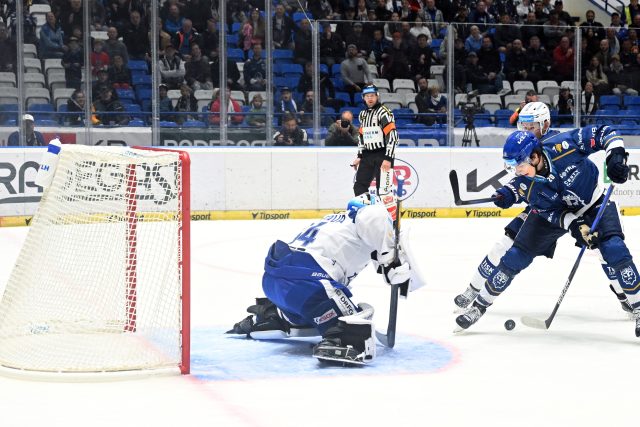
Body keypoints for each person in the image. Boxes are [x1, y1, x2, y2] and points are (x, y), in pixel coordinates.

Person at [454, 102, 635, 320]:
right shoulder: (523, 157)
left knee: (606, 249)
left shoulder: (561, 145)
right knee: (507, 245)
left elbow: (604, 133)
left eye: (531, 127)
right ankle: (474, 291)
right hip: (546, 206)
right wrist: (508, 193)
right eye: (524, 127)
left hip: (585, 202)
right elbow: (521, 184)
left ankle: (627, 298)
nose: (526, 131)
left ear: (545, 124)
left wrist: (615, 156)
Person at [226, 195, 420, 365]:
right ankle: (337, 339)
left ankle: (273, 315)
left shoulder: (335, 222)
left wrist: (390, 263)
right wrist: (394, 263)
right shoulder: (370, 214)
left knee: (311, 311)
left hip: (275, 283)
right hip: (307, 283)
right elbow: (375, 218)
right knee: (353, 321)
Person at [352, 84, 399, 220]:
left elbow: (393, 136)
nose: (370, 98)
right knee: (359, 186)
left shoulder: (384, 112)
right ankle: (369, 218)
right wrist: (359, 156)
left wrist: (388, 158)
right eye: (367, 96)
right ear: (363, 98)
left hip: (383, 154)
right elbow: (362, 137)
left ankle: (392, 225)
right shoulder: (363, 115)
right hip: (367, 155)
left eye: (372, 95)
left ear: (377, 96)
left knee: (384, 192)